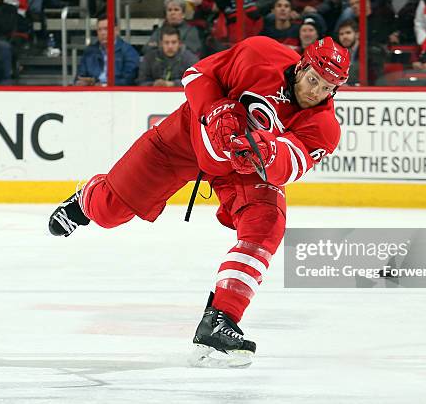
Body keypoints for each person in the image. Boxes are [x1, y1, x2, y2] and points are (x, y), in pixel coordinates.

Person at [48, 35, 350, 368]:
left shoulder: (324, 127)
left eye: (326, 88)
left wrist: (267, 153)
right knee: (109, 211)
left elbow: (292, 164)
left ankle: (220, 318)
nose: (315, 93)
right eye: (313, 80)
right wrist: (215, 108)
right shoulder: (258, 53)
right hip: (183, 140)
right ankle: (85, 200)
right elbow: (197, 75)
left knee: (267, 223)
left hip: (242, 166)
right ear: (301, 66)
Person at [75, 15, 140, 86]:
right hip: (92, 93)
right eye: (99, 30)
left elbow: (128, 80)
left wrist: (103, 85)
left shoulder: (128, 51)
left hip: (118, 94)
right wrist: (83, 82)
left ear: (116, 30)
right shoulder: (89, 52)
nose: (102, 33)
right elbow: (79, 77)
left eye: (106, 29)